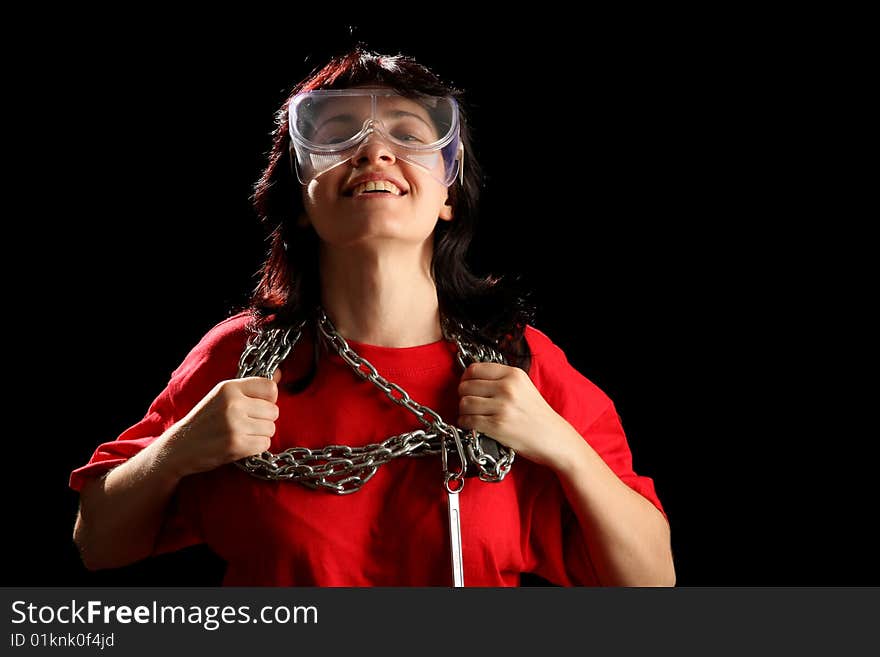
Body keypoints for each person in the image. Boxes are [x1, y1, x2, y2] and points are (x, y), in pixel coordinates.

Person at [70, 47, 675, 587]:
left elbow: (651, 583)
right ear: (302, 203)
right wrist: (178, 450)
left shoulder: (524, 365)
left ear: (448, 197)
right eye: (338, 134)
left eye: (408, 135)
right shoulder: (237, 359)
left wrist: (562, 447)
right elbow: (97, 543)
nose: (374, 151)